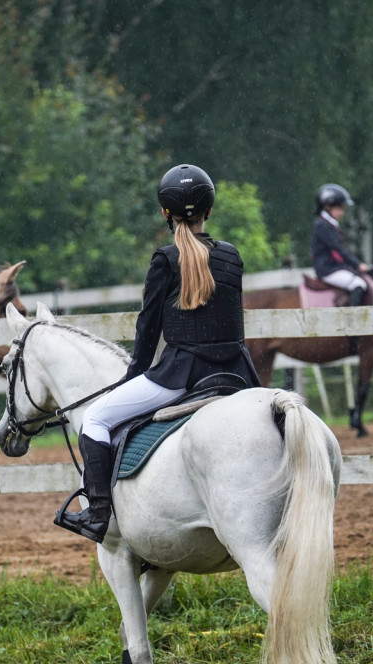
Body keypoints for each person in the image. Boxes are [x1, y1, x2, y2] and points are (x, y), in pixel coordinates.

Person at [55, 164, 261, 543]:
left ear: (165, 213)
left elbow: (147, 332)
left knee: (97, 419)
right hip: (238, 374)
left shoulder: (165, 260)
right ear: (209, 210)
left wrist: (132, 377)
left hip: (183, 376)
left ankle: (98, 515)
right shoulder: (231, 256)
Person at [310, 183, 369, 306]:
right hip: (327, 269)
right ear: (327, 206)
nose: (342, 212)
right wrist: (357, 264)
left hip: (333, 267)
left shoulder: (329, 224)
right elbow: (337, 249)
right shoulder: (322, 225)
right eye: (339, 208)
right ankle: (351, 318)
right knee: (358, 284)